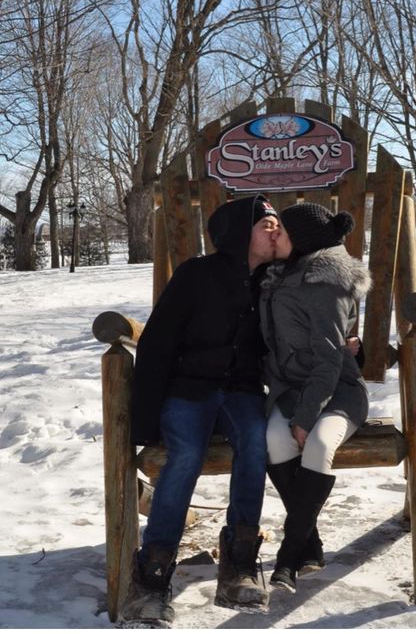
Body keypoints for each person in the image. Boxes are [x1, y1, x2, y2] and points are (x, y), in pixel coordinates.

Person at [119, 195, 279, 626]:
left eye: (277, 223)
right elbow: (157, 343)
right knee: (186, 454)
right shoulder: (196, 275)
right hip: (187, 389)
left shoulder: (273, 279)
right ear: (237, 233)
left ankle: (240, 562)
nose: (274, 229)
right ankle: (152, 576)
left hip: (242, 390)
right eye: (265, 222)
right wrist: (147, 418)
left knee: (255, 442)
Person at [260, 202, 371, 592]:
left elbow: (328, 360)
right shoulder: (281, 275)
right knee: (273, 441)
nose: (275, 236)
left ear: (302, 242)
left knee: (318, 444)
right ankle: (312, 543)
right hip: (291, 390)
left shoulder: (325, 284)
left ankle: (289, 556)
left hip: (337, 390)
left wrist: (306, 418)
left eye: (283, 232)